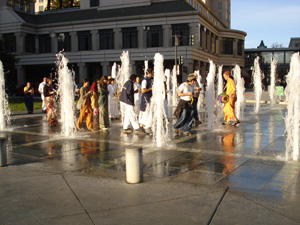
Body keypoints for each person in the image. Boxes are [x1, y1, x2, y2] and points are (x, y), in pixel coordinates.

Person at [139, 68, 153, 134]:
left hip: (148, 98)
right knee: (145, 112)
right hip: (145, 99)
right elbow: (143, 90)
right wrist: (151, 88)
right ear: (149, 73)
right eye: (152, 73)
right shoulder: (145, 80)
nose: (153, 74)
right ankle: (141, 127)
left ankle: (143, 127)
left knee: (147, 113)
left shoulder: (149, 80)